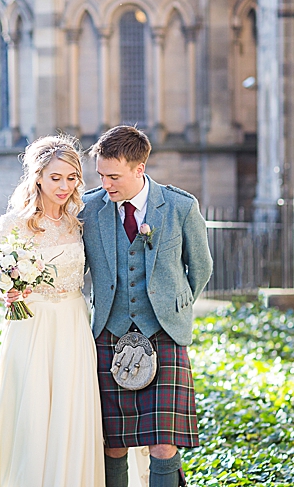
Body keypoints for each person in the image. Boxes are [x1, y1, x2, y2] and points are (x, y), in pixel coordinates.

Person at [80, 126, 213, 487]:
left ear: (139, 169)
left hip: (164, 333)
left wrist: (174, 306)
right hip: (109, 331)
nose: (106, 183)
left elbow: (200, 268)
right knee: (112, 443)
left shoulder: (180, 207)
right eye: (101, 175)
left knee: (164, 444)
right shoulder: (89, 209)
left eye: (114, 176)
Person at [0, 134, 105, 487]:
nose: (64, 186)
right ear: (37, 176)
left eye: (72, 178)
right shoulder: (12, 224)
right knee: (33, 413)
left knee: (72, 411)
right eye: (56, 178)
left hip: (72, 323)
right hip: (31, 326)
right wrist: (8, 293)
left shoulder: (80, 221)